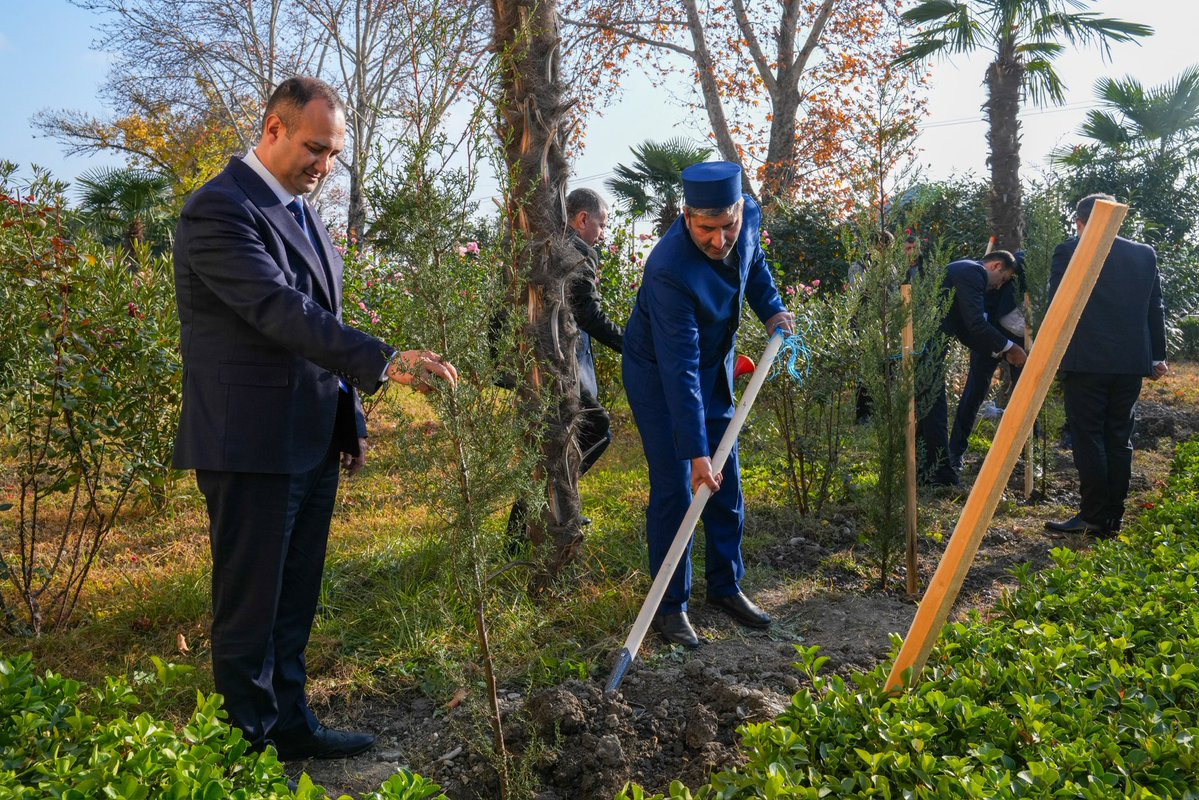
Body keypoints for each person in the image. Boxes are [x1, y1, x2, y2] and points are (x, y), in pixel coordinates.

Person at [173, 76, 457, 760]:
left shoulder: (300, 212)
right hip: (249, 442)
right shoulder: (219, 210)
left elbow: (322, 320)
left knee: (294, 597)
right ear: (273, 129)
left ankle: (291, 726)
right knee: (250, 605)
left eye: (333, 153)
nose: (324, 166)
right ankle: (247, 746)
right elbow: (280, 311)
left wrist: (346, 419)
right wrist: (385, 359)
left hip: (308, 437)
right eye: (314, 148)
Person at [622, 161, 793, 649]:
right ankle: (670, 606)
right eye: (707, 230)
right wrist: (696, 453)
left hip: (715, 362)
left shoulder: (749, 218)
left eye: (728, 226)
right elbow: (680, 371)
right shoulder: (668, 269)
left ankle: (725, 585)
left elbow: (753, 264)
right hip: (662, 375)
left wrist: (772, 309)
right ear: (686, 217)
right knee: (680, 486)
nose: (720, 241)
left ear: (740, 210)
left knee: (727, 475)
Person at [1045, 193, 1167, 537]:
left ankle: (1094, 515)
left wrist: (1049, 356)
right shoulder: (1144, 253)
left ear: (1081, 222)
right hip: (1130, 361)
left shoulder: (1070, 250)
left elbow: (1058, 306)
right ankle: (1114, 516)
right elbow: (1155, 306)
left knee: (1088, 437)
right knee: (1118, 437)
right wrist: (1157, 355)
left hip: (1086, 361)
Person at [916, 250, 1026, 487]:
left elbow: (965, 331)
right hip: (924, 347)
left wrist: (1002, 351)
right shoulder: (972, 272)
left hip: (926, 346)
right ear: (995, 266)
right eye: (1003, 279)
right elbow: (975, 324)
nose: (999, 287)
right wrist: (1010, 346)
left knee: (928, 409)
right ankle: (941, 476)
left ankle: (925, 470)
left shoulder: (965, 271)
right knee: (934, 409)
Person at [947, 253, 1026, 475]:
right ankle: (955, 452)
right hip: (989, 333)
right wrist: (1004, 347)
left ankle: (1023, 452)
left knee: (1026, 394)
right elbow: (976, 319)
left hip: (1023, 339)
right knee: (974, 392)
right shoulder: (1007, 269)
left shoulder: (1047, 272)